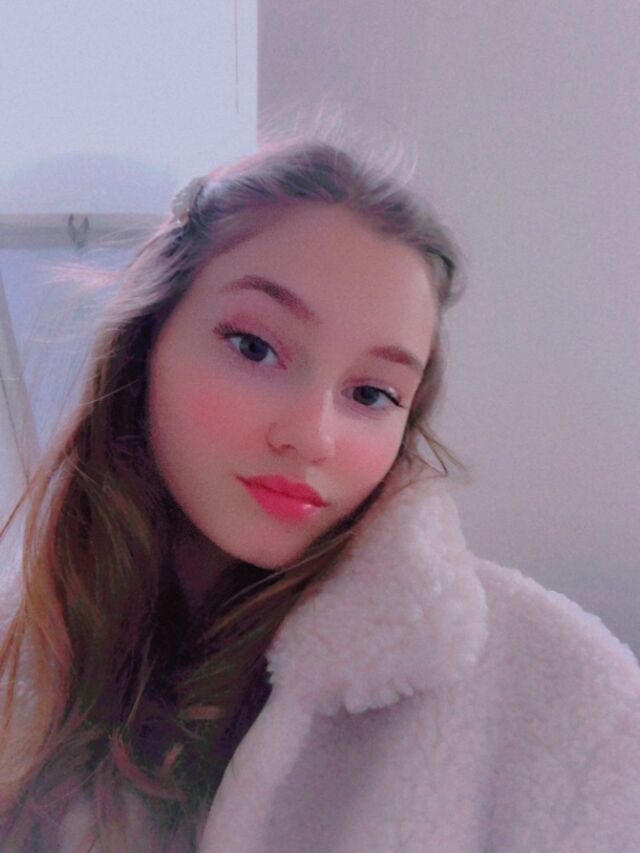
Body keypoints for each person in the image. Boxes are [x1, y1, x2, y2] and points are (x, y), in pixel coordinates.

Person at [1, 136, 639, 852]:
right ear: (147, 342)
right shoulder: (25, 656)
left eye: (371, 393)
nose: (312, 436)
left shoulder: (566, 703)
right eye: (254, 347)